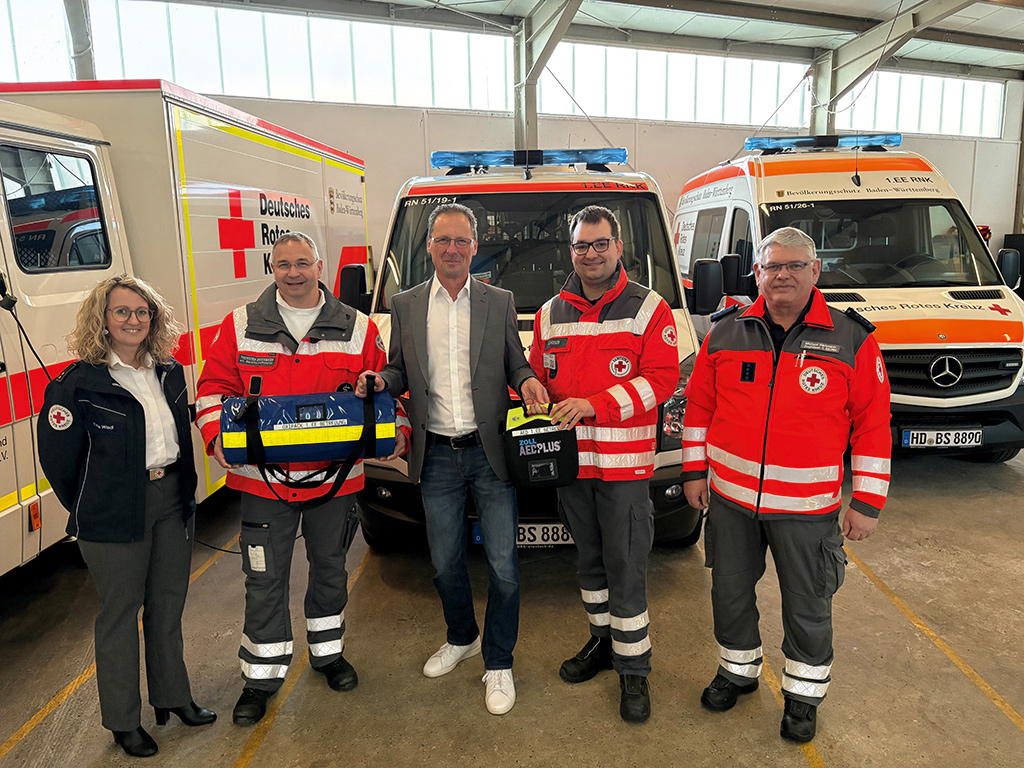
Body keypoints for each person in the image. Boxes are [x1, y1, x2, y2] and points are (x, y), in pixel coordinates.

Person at [681, 226, 891, 743]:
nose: (783, 275)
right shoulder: (725, 332)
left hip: (807, 507)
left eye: (795, 265)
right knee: (729, 593)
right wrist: (693, 472)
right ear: (757, 273)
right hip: (731, 500)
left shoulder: (852, 338)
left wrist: (866, 501)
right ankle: (737, 671)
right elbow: (699, 407)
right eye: (773, 266)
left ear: (815, 271)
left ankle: (802, 695)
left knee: (808, 601)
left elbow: (872, 424)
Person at [195, 232, 407, 726]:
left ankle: (328, 655)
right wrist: (215, 436)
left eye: (303, 263)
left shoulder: (358, 327)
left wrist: (398, 429)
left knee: (330, 567)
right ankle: (261, 677)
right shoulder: (240, 325)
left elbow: (389, 387)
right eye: (283, 264)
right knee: (264, 577)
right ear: (272, 268)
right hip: (262, 482)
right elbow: (212, 388)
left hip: (335, 479)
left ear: (320, 266)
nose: (294, 273)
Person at [357, 203, 548, 715]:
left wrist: (529, 380)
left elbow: (515, 362)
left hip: (490, 454)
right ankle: (462, 636)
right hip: (437, 454)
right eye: (443, 240)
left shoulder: (498, 300)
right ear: (429, 247)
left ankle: (499, 661)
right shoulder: (405, 304)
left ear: (475, 246)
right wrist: (380, 381)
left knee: (504, 567)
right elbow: (399, 369)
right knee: (443, 564)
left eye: (462, 240)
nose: (453, 249)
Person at [38, 276, 214, 758]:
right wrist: (92, 504)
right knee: (120, 613)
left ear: (153, 319)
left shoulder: (169, 371)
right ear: (103, 319)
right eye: (122, 311)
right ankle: (123, 721)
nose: (133, 320)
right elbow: (59, 462)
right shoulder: (78, 385)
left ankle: (173, 696)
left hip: (171, 499)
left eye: (142, 312)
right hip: (112, 511)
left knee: (168, 604)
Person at [528, 205, 680, 724]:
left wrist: (595, 404)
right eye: (580, 246)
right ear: (570, 251)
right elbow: (537, 375)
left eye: (599, 244)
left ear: (618, 247)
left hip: (623, 470)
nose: (590, 254)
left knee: (626, 567)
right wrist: (530, 390)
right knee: (589, 564)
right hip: (571, 469)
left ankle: (634, 669)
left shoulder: (649, 308)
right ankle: (602, 642)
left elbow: (661, 380)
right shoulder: (549, 314)